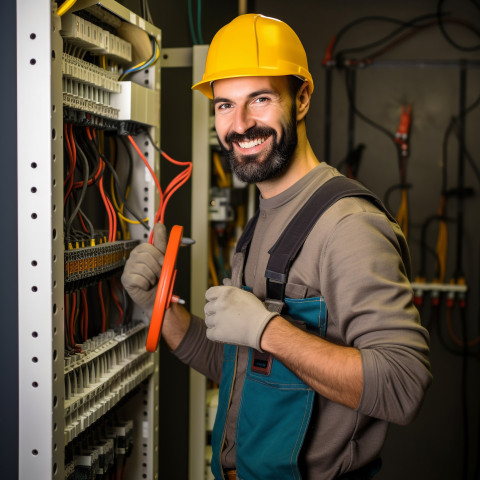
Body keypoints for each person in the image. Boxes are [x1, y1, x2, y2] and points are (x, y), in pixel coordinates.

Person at [122, 13, 432, 480]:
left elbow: (403, 385)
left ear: (302, 97)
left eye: (260, 100)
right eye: (224, 105)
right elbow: (245, 368)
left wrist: (268, 330)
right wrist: (159, 309)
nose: (240, 125)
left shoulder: (347, 226)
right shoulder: (264, 218)